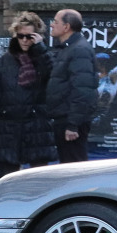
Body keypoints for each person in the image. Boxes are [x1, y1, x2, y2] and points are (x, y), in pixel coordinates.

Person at [0, 12, 56, 181]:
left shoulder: (44, 56)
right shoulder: (6, 59)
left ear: (36, 36)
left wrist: (39, 48)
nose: (24, 40)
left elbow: (50, 74)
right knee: (7, 178)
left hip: (36, 125)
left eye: (29, 36)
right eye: (20, 36)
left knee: (38, 177)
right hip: (8, 126)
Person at [45, 8, 97, 163]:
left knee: (74, 166)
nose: (52, 25)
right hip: (64, 118)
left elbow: (82, 90)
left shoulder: (79, 49)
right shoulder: (68, 48)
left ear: (66, 27)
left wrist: (73, 125)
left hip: (70, 122)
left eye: (55, 21)